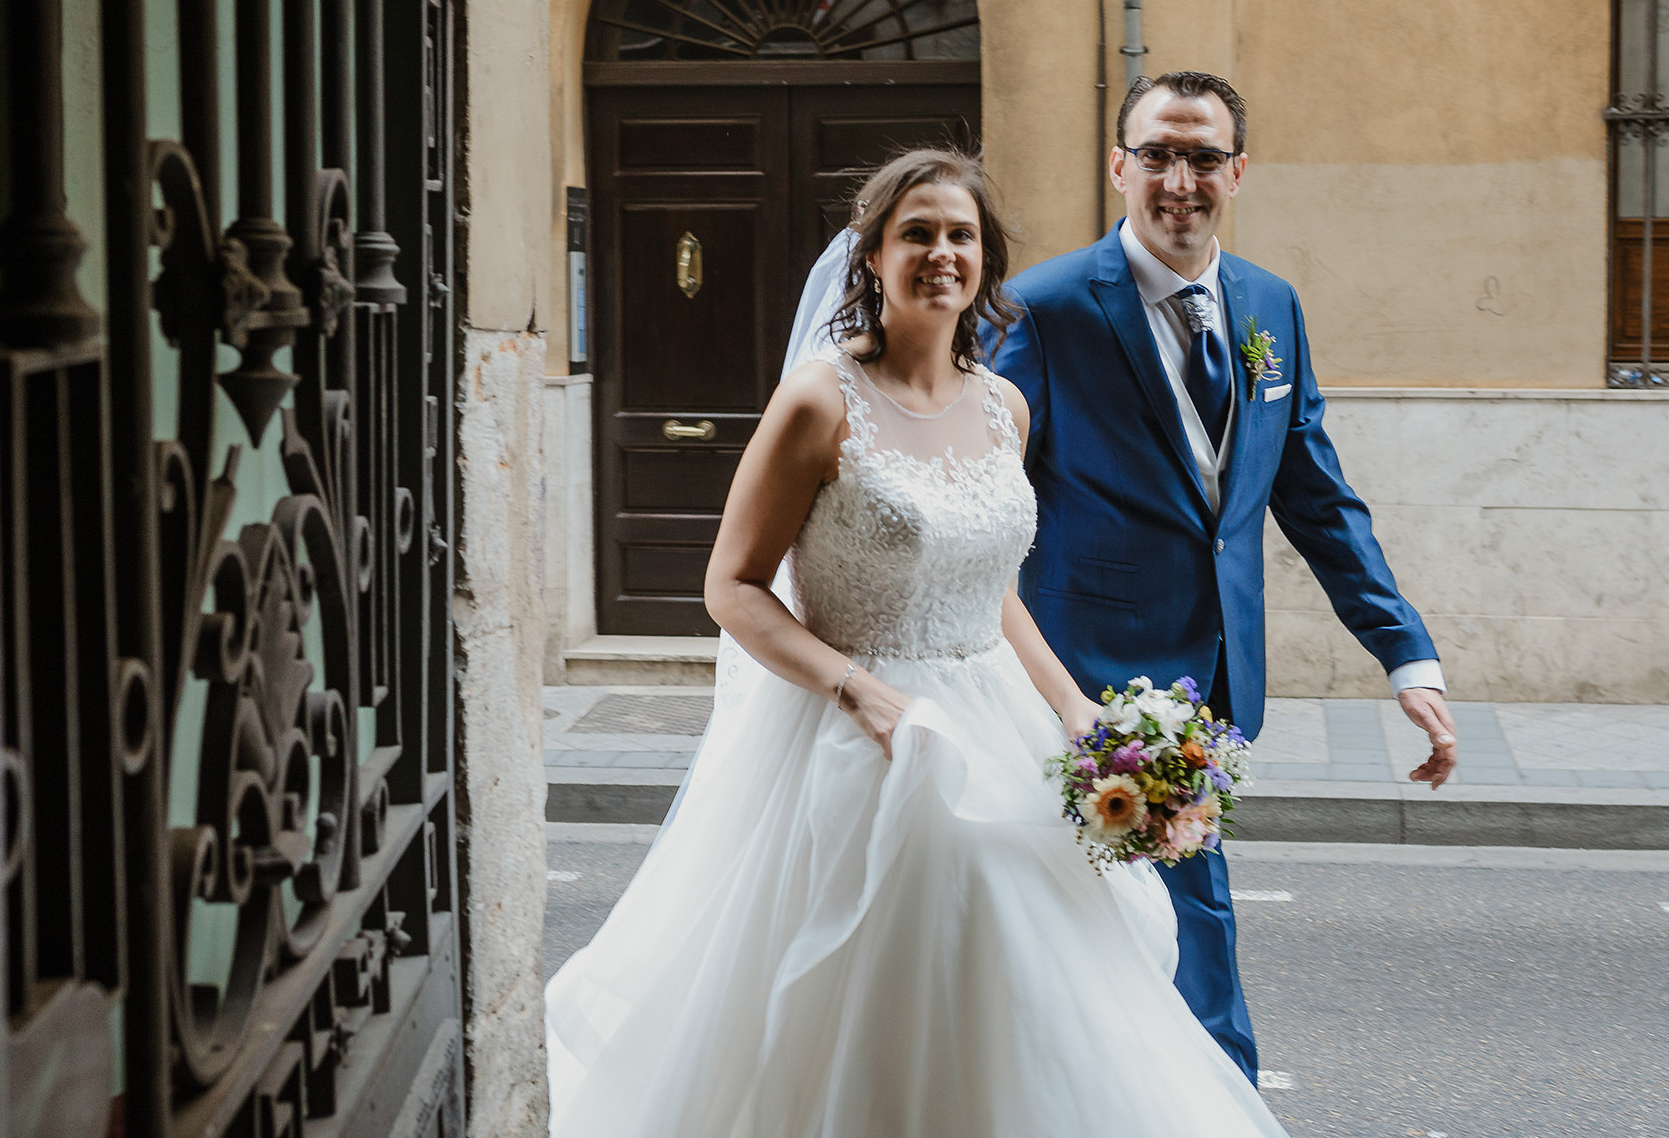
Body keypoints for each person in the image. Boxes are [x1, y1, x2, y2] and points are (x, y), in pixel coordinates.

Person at [545, 148, 1290, 1137]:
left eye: (961, 235)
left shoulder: (1001, 404)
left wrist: (1076, 709)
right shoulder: (819, 401)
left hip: (997, 718)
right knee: (887, 986)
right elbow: (731, 584)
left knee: (1032, 974)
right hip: (866, 732)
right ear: (873, 258)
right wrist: (858, 691)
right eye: (918, 234)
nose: (942, 253)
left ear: (985, 258)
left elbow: (991, 588)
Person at [986, 70, 1458, 1083]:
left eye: (1202, 156)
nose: (1179, 179)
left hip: (1215, 683)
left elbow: (1315, 493)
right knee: (1166, 935)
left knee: (1148, 928)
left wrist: (1405, 653)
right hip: (1085, 682)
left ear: (1238, 172)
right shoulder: (1051, 308)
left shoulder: (1269, 306)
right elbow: (987, 500)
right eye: (1156, 153)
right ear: (1119, 166)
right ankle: (1216, 1099)